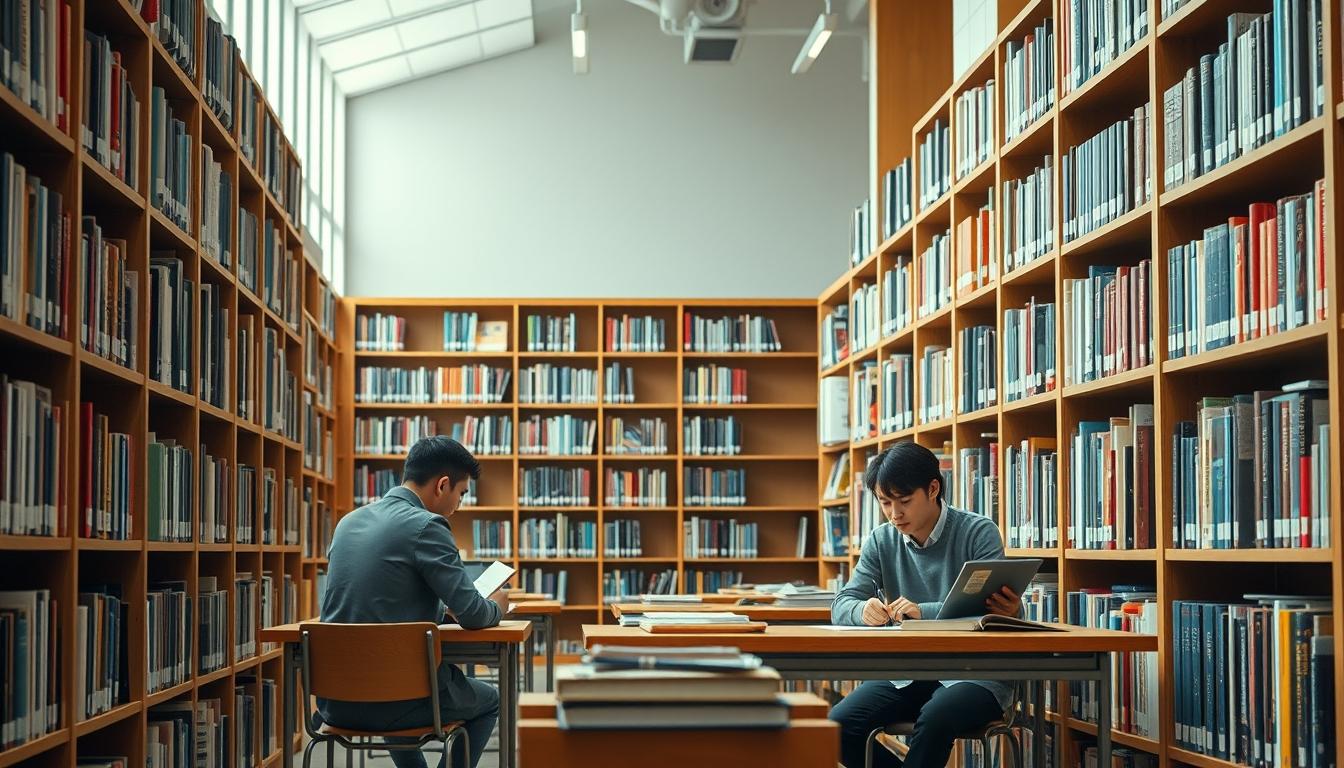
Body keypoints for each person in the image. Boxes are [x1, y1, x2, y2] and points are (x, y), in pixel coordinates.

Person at [318, 436, 509, 768]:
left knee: (397, 674)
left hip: (335, 700)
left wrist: (437, 610)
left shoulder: (347, 523)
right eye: (461, 493)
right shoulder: (428, 526)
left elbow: (376, 602)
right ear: (442, 485)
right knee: (489, 700)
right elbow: (476, 616)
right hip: (397, 698)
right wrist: (498, 605)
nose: (460, 504)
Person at [829, 442, 1022, 768]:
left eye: (904, 501)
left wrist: (924, 611)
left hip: (976, 674)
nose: (894, 514)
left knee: (936, 718)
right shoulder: (881, 540)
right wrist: (862, 610)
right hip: (908, 672)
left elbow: (989, 612)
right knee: (837, 727)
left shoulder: (977, 532)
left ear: (933, 488)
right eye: (884, 502)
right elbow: (841, 603)